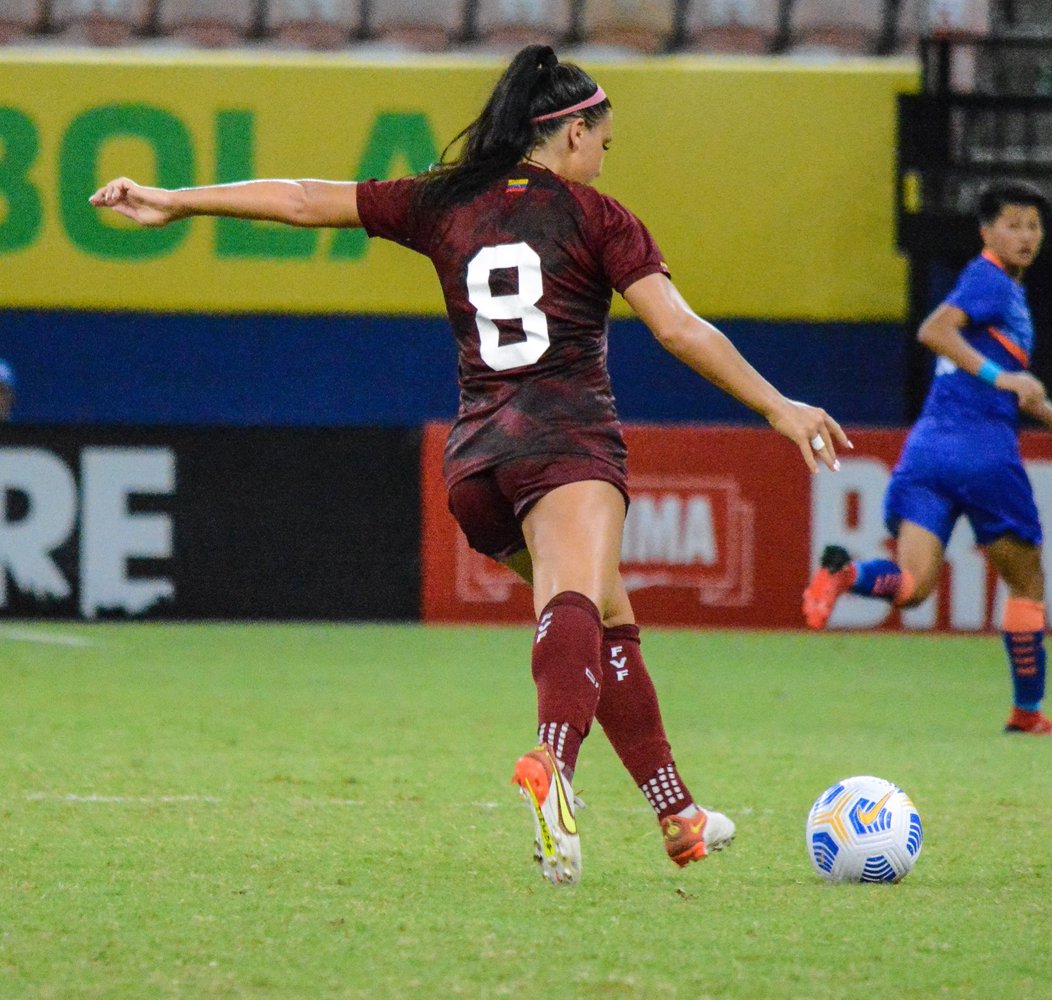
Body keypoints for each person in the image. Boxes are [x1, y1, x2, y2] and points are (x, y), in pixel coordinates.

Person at [90, 45, 850, 887]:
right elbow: (678, 329)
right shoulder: (601, 218)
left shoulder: (442, 201)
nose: (605, 156)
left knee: (606, 617)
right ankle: (552, 766)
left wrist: (174, 200)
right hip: (565, 442)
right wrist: (779, 405)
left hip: (477, 465)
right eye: (602, 138)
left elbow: (304, 199)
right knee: (574, 597)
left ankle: (678, 813)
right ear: (565, 132)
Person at [802, 181, 1052, 738]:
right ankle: (1027, 713)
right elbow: (935, 331)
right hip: (982, 453)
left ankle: (845, 573)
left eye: (1034, 226)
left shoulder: (999, 292)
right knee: (1026, 584)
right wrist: (1001, 376)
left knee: (913, 587)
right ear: (986, 232)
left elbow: (1012, 384)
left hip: (928, 450)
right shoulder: (990, 279)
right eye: (1014, 224)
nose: (1026, 235)